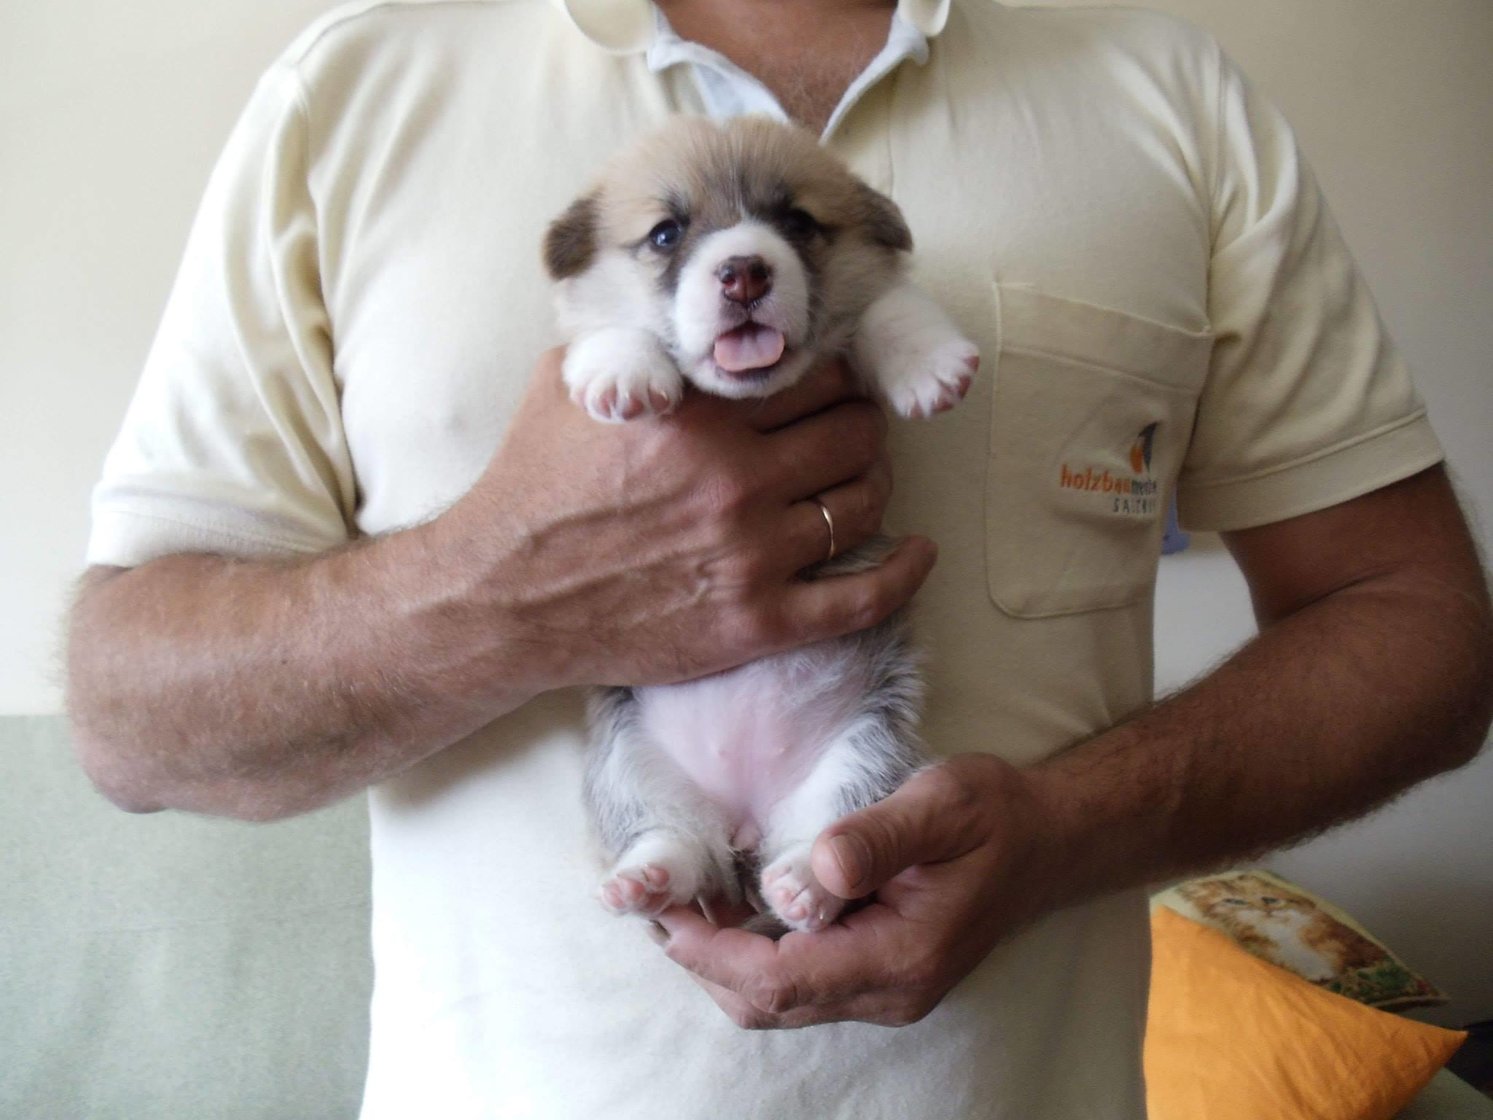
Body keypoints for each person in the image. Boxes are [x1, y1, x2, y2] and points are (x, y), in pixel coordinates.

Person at [66, 0, 1492, 1115]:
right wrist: (512, 594)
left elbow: (1420, 630)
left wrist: (1068, 834)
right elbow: (130, 718)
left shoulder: (1164, 90)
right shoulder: (352, 89)